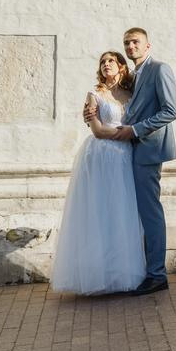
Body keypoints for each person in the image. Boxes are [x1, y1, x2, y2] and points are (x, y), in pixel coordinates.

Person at [85, 27, 176, 296]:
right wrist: (92, 114)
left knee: (150, 213)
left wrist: (135, 131)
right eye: (127, 43)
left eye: (136, 42)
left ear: (147, 46)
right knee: (130, 213)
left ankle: (157, 275)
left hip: (149, 150)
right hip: (129, 152)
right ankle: (135, 269)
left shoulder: (159, 69)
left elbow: (170, 110)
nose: (130, 46)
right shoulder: (133, 77)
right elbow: (123, 107)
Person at [51, 51, 146, 295]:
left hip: (124, 157)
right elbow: (97, 131)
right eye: (103, 62)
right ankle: (96, 274)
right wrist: (127, 133)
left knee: (121, 211)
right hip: (101, 155)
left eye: (111, 61)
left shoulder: (132, 95)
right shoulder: (94, 95)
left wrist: (129, 133)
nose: (106, 65)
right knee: (98, 209)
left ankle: (120, 273)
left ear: (121, 67)